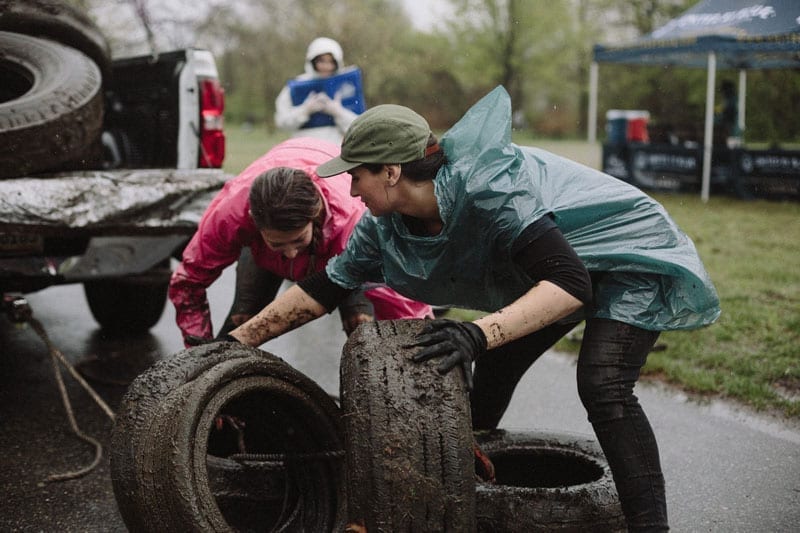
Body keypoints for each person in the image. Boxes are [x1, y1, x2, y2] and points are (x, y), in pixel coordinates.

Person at [222, 87, 720, 532]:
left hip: (627, 253)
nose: (351, 190)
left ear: (391, 171)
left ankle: (650, 526)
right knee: (496, 369)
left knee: (602, 384)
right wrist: (235, 344)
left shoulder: (489, 191)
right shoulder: (383, 225)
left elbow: (570, 283)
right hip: (554, 268)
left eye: (357, 176)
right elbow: (324, 288)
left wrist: (476, 333)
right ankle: (469, 482)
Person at [168, 137, 432, 346]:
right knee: (242, 323)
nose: (292, 254)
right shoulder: (231, 214)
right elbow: (188, 283)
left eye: (297, 240)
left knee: (362, 327)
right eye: (278, 244)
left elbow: (398, 296)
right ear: (253, 224)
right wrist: (199, 349)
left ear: (314, 217)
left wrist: (417, 339)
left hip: (338, 250)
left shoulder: (351, 224)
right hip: (266, 243)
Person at [274, 37, 359, 144]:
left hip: (335, 150)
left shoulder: (346, 86)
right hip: (304, 147)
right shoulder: (295, 86)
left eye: (331, 62)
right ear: (312, 61)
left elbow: (359, 128)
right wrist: (305, 110)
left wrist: (338, 111)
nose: (326, 66)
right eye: (321, 61)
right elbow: (282, 123)